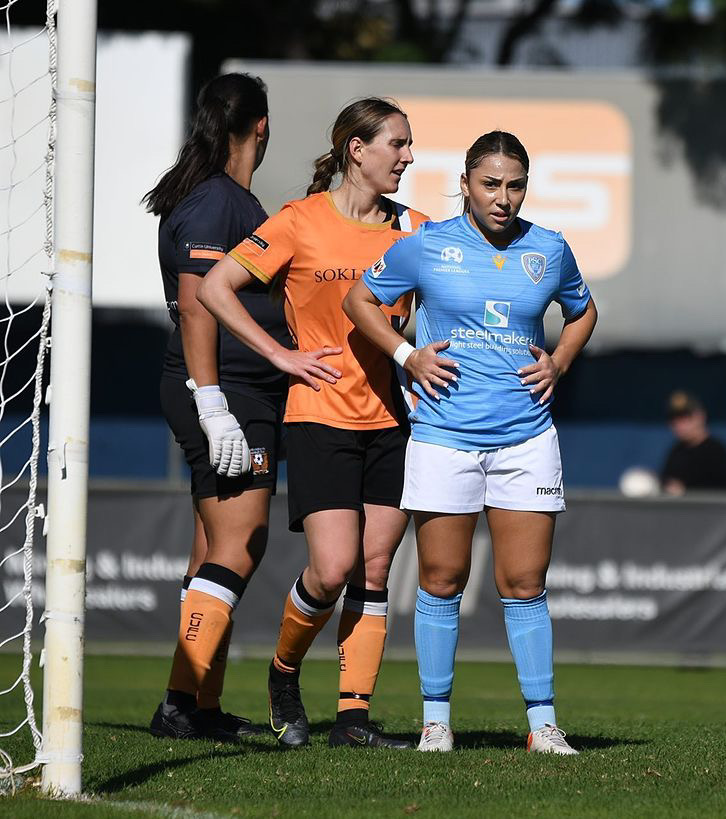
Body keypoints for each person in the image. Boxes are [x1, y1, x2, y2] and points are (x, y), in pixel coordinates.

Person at [343, 130, 598, 754]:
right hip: (443, 437)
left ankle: (543, 727)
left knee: (525, 582)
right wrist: (407, 354)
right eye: (490, 184)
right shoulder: (426, 245)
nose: (503, 198)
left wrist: (560, 362)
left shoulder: (549, 247)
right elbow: (359, 300)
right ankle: (436, 723)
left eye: (515, 186)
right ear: (464, 185)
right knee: (441, 577)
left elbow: (584, 311)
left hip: (526, 438)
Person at [197, 98, 429, 749]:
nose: (408, 157)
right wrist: (280, 354)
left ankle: (353, 719)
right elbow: (214, 288)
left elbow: (437, 307)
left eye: (409, 145)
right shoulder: (300, 220)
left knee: (374, 569)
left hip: (394, 419)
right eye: (398, 144)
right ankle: (283, 672)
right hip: (319, 415)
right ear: (357, 148)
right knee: (331, 569)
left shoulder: (417, 228)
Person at [143, 73, 311, 741]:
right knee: (242, 543)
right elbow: (196, 306)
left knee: (213, 548)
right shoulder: (216, 201)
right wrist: (213, 405)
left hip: (236, 390)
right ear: (261, 126)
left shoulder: (230, 198)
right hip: (226, 392)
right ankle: (179, 702)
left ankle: (198, 706)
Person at [661, 391, 726, 494]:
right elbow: (666, 482)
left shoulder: (717, 452)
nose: (679, 424)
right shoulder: (676, 451)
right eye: (674, 419)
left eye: (685, 417)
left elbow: (725, 493)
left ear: (700, 416)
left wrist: (686, 491)